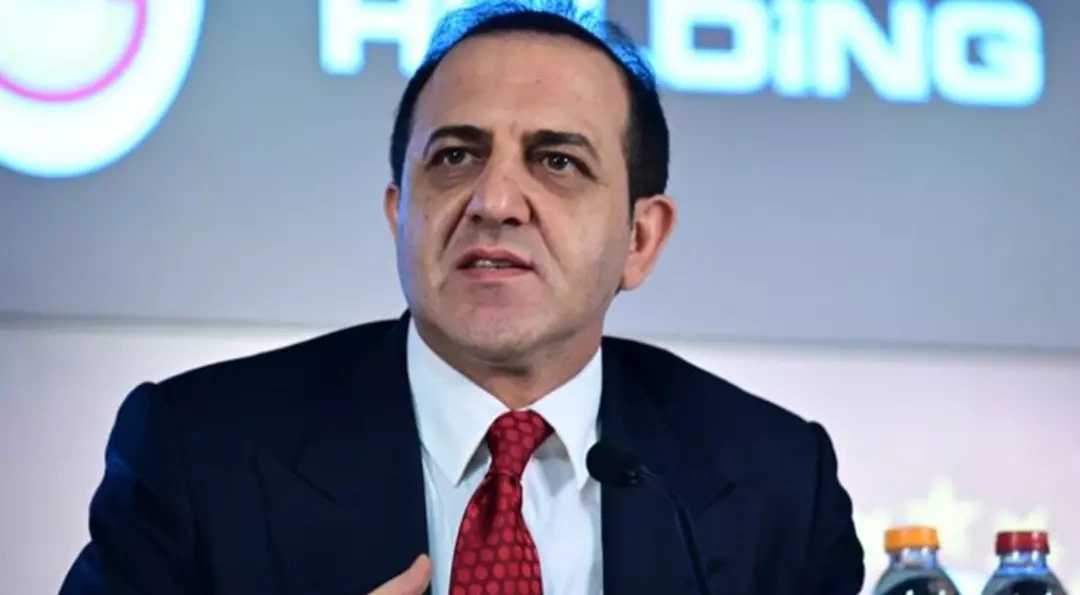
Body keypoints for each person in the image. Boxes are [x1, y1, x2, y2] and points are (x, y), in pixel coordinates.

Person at [59, 2, 865, 594]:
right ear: (398, 215)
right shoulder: (200, 453)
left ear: (640, 238)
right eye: (454, 156)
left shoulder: (774, 485)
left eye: (557, 162)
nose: (495, 200)